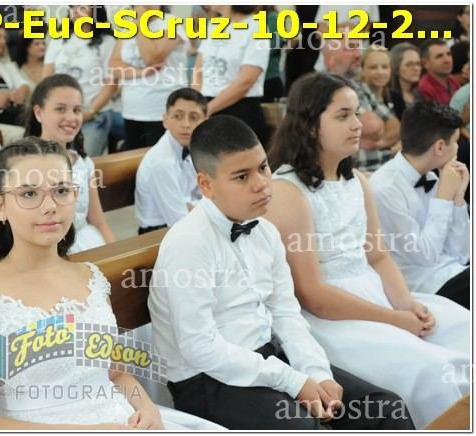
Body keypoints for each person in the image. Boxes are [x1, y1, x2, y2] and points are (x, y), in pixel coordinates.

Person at [149, 115, 415, 430]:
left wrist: (316, 373)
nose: (262, 184)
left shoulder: (265, 231)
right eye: (241, 177)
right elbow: (200, 348)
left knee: (384, 408)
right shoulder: (189, 243)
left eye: (262, 167)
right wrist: (293, 382)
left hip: (268, 358)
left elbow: (286, 313)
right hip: (207, 380)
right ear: (206, 184)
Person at [0, 137, 224, 430]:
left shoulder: (91, 279)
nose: (50, 206)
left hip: (118, 419)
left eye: (61, 191)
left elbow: (115, 374)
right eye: (29, 194)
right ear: (0, 206)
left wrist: (145, 406)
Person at [265, 72, 470, 428]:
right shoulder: (288, 190)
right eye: (343, 116)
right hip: (332, 316)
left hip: (377, 294)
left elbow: (377, 255)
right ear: (310, 126)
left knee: (466, 330)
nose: (358, 124)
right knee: (434, 370)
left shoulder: (357, 180)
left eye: (357, 113)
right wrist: (394, 319)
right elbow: (312, 293)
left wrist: (406, 303)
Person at [369, 101, 469, 308]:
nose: (458, 148)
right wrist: (443, 198)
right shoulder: (385, 189)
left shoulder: (432, 176)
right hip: (423, 285)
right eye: (455, 141)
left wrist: (458, 197)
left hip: (454, 272)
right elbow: (426, 257)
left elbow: (461, 254)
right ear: (440, 147)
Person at [24, 74, 115, 253]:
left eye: (77, 110)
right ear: (39, 113)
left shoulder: (83, 162)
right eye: (60, 109)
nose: (71, 117)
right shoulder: (24, 163)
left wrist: (117, 255)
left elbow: (98, 222)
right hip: (46, 249)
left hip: (86, 241)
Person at [110, 5, 188, 150]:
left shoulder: (171, 22)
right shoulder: (128, 27)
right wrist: (142, 72)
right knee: (133, 160)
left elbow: (151, 58)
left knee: (162, 159)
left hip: (161, 111)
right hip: (132, 110)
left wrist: (141, 21)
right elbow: (114, 66)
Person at [43, 5, 117, 156]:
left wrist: (90, 111)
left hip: (93, 115)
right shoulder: (59, 38)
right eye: (73, 6)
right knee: (58, 160)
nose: (76, 10)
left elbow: (111, 83)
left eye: (82, 6)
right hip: (61, 115)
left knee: (84, 161)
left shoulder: (107, 42)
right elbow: (47, 78)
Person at [192, 5, 271, 145]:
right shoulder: (214, 25)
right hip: (205, 107)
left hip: (239, 109)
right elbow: (198, 70)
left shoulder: (256, 27)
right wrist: (196, 103)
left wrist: (207, 109)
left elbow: (246, 81)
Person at [135, 88, 207, 234]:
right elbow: (179, 221)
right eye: (178, 116)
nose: (186, 124)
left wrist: (190, 205)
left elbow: (210, 194)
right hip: (158, 232)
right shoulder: (161, 162)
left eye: (194, 117)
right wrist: (193, 206)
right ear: (165, 120)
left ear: (205, 121)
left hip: (189, 221)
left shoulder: (197, 147)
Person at [354, 45, 400, 173]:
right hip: (364, 169)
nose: (380, 72)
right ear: (362, 70)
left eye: (384, 67)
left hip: (387, 167)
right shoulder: (357, 93)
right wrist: (392, 147)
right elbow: (370, 130)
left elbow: (398, 129)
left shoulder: (394, 97)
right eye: (373, 67)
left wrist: (380, 144)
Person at [417, 40, 460, 105]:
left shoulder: (453, 81)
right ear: (425, 63)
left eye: (449, 54)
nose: (447, 60)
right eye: (439, 56)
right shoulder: (425, 89)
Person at [389, 43, 422, 119]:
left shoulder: (421, 94)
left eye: (418, 63)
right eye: (409, 64)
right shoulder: (389, 97)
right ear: (396, 67)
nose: (416, 68)